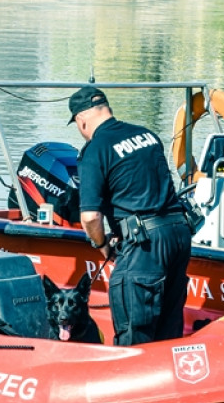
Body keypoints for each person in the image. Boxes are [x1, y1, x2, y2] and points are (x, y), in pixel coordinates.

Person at [68, 86, 191, 346]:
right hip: (178, 234)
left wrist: (102, 245)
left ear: (82, 119)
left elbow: (90, 217)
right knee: (169, 332)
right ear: (107, 109)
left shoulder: (95, 149)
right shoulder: (147, 135)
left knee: (134, 336)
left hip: (144, 246)